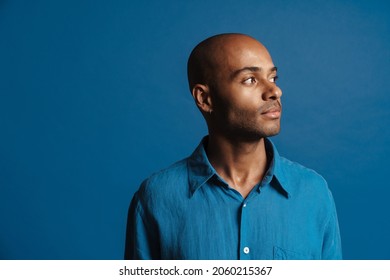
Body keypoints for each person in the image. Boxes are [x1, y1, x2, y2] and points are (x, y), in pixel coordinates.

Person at [124, 33, 342, 260]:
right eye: (250, 79)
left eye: (273, 78)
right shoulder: (157, 197)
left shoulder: (313, 192)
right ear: (205, 99)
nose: (274, 91)